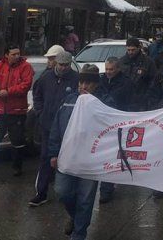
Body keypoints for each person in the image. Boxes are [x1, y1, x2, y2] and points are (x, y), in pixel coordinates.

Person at [49, 64, 102, 240]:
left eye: (88, 83)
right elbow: (56, 127)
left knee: (86, 199)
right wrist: (54, 152)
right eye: (81, 82)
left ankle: (79, 234)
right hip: (67, 157)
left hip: (91, 160)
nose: (83, 86)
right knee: (62, 191)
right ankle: (75, 215)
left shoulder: (104, 102)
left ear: (95, 85)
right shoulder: (69, 100)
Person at [29, 51, 79, 207]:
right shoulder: (46, 77)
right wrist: (40, 112)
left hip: (68, 127)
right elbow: (37, 96)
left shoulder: (76, 79)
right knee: (45, 158)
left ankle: (69, 191)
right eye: (61, 65)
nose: (63, 68)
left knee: (69, 159)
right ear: (56, 63)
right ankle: (41, 192)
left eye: (66, 65)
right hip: (48, 125)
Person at [0, 44, 34, 177]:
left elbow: (25, 85)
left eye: (18, 53)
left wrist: (8, 92)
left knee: (18, 141)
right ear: (7, 55)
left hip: (17, 111)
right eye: (13, 54)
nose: (17, 56)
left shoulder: (26, 67)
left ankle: (17, 167)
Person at [95, 56, 135, 203]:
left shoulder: (126, 83)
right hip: (102, 123)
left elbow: (129, 102)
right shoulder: (101, 81)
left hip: (118, 123)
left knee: (111, 156)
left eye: (111, 69)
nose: (108, 72)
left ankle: (106, 189)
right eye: (106, 69)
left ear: (117, 69)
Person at [118, 37, 156, 111]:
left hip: (142, 102)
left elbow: (153, 81)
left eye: (133, 50)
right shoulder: (121, 62)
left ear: (139, 48)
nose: (130, 52)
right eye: (128, 50)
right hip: (125, 101)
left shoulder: (148, 62)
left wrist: (147, 97)